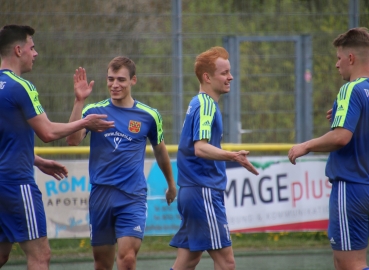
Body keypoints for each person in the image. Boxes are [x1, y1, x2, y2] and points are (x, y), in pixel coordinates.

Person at [0, 24, 115, 270]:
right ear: (18, 50)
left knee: (1, 254)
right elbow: (48, 132)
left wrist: (38, 161)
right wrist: (85, 121)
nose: (36, 53)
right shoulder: (22, 87)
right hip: (15, 184)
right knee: (40, 256)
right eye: (32, 47)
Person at [66, 56, 177, 270]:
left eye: (121, 80)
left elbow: (160, 150)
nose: (114, 85)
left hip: (132, 196)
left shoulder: (149, 116)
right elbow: (72, 140)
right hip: (101, 196)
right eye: (110, 79)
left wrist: (171, 184)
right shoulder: (93, 111)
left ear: (133, 81)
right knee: (102, 264)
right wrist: (79, 101)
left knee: (127, 259)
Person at [169, 46, 259, 270]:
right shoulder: (206, 104)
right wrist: (233, 156)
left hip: (193, 190)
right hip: (203, 191)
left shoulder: (198, 103)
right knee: (226, 263)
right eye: (224, 73)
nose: (230, 77)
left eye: (229, 71)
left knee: (188, 260)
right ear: (207, 77)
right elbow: (201, 148)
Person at [288, 27, 369, 270]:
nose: (337, 64)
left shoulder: (351, 90)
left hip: (353, 186)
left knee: (350, 263)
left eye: (339, 58)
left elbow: (341, 137)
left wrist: (306, 145)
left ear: (351, 58)